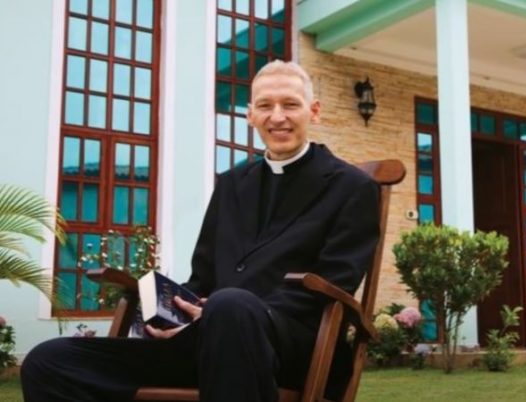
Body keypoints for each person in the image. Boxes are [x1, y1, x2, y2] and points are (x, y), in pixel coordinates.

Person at [21, 60, 381, 402]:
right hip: (204, 339)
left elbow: (334, 284)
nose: (278, 117)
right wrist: (167, 311)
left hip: (297, 346)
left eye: (291, 104)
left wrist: (224, 312)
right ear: (249, 115)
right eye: (265, 106)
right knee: (50, 361)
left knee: (231, 305)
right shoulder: (231, 184)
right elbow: (203, 278)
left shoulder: (350, 187)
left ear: (313, 110)